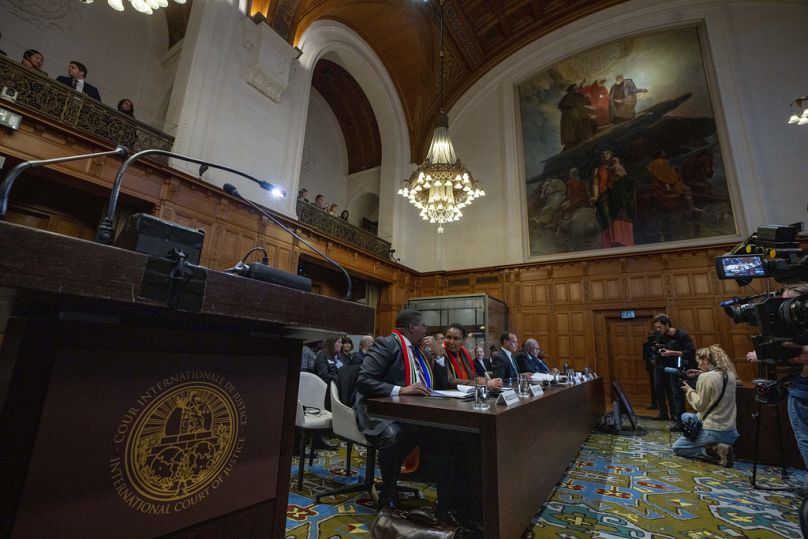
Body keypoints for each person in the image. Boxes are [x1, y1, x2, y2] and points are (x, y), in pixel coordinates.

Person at [354, 309, 462, 519]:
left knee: (447, 435)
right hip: (379, 410)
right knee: (396, 436)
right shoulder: (387, 344)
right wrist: (400, 390)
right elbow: (364, 381)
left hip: (411, 411)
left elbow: (438, 384)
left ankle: (447, 504)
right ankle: (389, 493)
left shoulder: (419, 350)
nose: (426, 330)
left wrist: (439, 356)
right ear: (412, 327)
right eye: (423, 326)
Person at [746, 283, 808, 468]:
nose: (785, 308)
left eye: (790, 302)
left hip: (803, 391)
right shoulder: (794, 329)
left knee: (805, 439)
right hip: (800, 386)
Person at [672, 345, 738, 467]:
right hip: (731, 431)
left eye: (699, 363)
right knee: (685, 416)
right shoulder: (730, 375)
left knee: (678, 447)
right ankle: (717, 445)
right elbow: (717, 382)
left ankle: (713, 450)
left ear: (706, 361)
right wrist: (702, 373)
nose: (698, 366)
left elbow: (699, 405)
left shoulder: (705, 377)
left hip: (713, 430)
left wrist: (689, 391)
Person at [652, 314, 696, 432]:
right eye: (656, 327)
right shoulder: (661, 336)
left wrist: (672, 352)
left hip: (684, 368)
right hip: (667, 366)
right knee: (673, 393)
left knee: (679, 394)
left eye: (659, 327)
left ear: (667, 325)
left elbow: (690, 352)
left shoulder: (682, 335)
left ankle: (683, 421)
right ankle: (677, 419)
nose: (657, 330)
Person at [440, 323, 503, 391]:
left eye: (456, 338)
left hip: (469, 392)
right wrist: (484, 383)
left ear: (463, 341)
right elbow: (450, 381)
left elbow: (473, 376)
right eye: (448, 337)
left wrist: (492, 381)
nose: (451, 342)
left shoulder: (465, 353)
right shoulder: (440, 353)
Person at [557, 83, 595, 151]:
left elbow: (585, 102)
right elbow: (562, 106)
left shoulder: (578, 95)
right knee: (573, 130)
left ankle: (581, 139)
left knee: (581, 127)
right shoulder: (567, 97)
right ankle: (574, 142)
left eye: (576, 88)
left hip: (579, 115)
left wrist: (587, 99)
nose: (576, 89)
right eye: (575, 88)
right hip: (571, 117)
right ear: (571, 90)